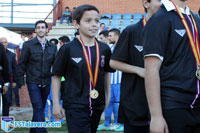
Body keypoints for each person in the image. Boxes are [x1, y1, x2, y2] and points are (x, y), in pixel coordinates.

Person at [52, 4, 114, 133]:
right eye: (88, 21)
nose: (94, 24)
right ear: (76, 24)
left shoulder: (104, 49)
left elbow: (107, 74)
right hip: (75, 105)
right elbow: (56, 77)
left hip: (97, 105)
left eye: (97, 21)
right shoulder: (67, 49)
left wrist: (107, 98)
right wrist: (56, 104)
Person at [143, 0, 200, 133]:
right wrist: (156, 116)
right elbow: (151, 69)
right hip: (174, 104)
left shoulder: (195, 19)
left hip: (196, 104)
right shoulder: (159, 19)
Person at [109, 0, 161, 132]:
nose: (163, 3)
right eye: (159, 0)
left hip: (163, 102)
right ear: (146, 3)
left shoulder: (167, 31)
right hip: (135, 103)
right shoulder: (131, 31)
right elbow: (113, 63)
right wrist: (139, 70)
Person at [16, 20, 57, 133]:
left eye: (43, 27)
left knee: (39, 109)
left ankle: (33, 131)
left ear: (46, 29)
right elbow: (22, 63)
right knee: (38, 107)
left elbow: (57, 65)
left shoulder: (52, 47)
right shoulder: (28, 45)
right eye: (38, 27)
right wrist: (20, 80)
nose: (40, 29)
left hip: (47, 82)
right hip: (33, 81)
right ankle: (42, 131)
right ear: (35, 30)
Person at [98, 28, 124, 131]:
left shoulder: (122, 47)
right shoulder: (111, 48)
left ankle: (119, 123)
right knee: (108, 102)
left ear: (116, 36)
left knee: (118, 103)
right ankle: (107, 123)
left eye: (110, 36)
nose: (108, 38)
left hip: (119, 80)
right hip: (110, 80)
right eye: (108, 36)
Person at [0, 37, 19, 111]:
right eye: (2, 42)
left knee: (7, 98)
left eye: (5, 42)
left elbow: (15, 68)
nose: (3, 44)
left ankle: (6, 119)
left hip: (8, 80)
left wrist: (14, 81)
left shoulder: (11, 55)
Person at [0, 42, 9, 116]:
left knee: (5, 102)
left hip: (1, 81)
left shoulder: (0, 47)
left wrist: (6, 83)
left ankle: (5, 123)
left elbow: (5, 65)